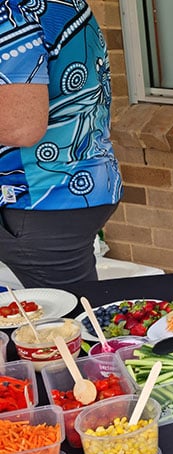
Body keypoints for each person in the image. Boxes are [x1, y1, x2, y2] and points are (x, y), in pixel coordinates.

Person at [0, 0, 122, 288]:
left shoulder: (11, 11)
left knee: (65, 324)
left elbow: (21, 126)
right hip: (69, 188)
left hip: (39, 199)